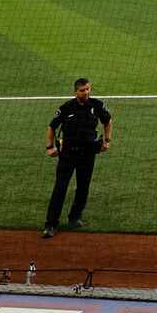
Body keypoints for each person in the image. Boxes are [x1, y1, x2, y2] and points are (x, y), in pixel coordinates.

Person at [42, 76, 113, 238]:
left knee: (83, 187)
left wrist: (107, 141)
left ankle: (75, 217)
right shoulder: (66, 107)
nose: (86, 92)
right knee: (60, 188)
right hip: (68, 153)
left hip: (88, 153)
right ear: (75, 92)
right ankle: (51, 224)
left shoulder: (98, 105)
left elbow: (108, 121)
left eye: (88, 89)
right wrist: (49, 147)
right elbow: (52, 127)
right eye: (82, 90)